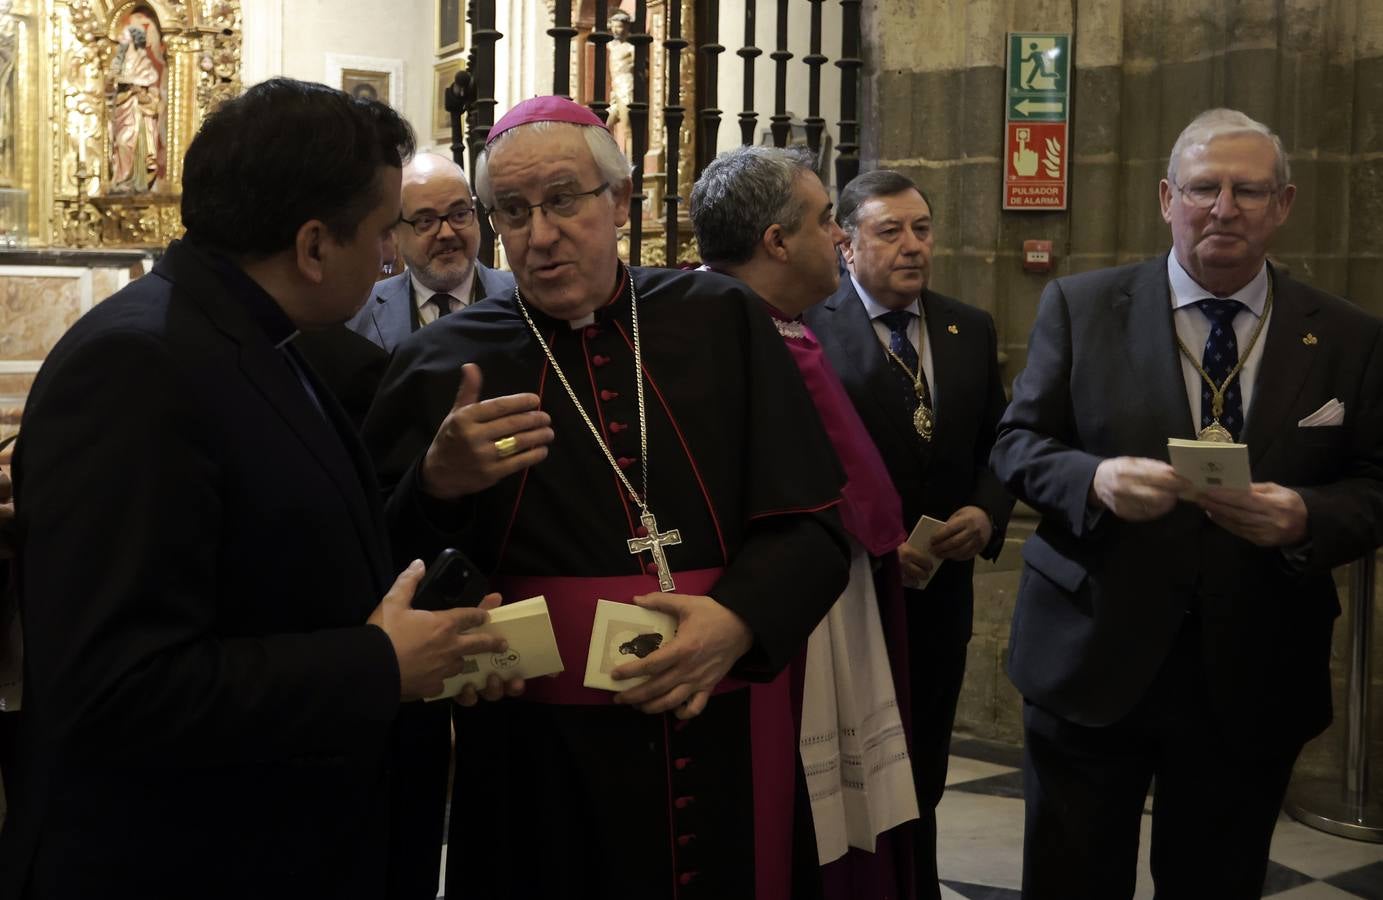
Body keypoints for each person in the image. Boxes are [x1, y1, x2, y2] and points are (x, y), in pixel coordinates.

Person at [0, 78, 517, 900]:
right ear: (314, 246)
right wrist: (378, 664)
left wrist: (433, 636)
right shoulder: (138, 368)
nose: (392, 257)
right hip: (188, 860)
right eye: (385, 232)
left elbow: (296, 566)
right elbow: (117, 687)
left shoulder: (263, 341)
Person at [364, 95, 851, 899]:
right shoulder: (439, 360)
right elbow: (380, 564)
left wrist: (737, 621)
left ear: (620, 200)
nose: (539, 233)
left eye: (562, 200)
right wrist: (435, 486)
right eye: (513, 210)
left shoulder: (721, 321)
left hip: (714, 716)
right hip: (534, 755)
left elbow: (814, 527)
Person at [990, 108, 1383, 897]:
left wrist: (1307, 516)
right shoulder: (1079, 307)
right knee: (1070, 880)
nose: (1223, 207)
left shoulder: (1346, 336)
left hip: (1253, 665)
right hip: (1092, 655)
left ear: (1283, 204)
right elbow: (1015, 446)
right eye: (1204, 187)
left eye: (1248, 190)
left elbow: (1375, 485)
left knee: (1216, 882)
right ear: (1167, 198)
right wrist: (1093, 482)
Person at [691, 144, 919, 900]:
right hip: (777, 617)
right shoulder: (733, 327)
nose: (839, 238)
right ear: (777, 242)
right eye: (828, 221)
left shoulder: (777, 323)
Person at [803, 169, 1013, 900]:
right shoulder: (810, 326)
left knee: (922, 764)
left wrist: (985, 513)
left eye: (921, 229)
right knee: (847, 765)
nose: (912, 246)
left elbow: (999, 441)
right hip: (849, 589)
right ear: (848, 244)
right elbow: (798, 460)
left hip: (940, 593)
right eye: (889, 231)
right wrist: (863, 537)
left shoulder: (966, 326)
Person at [299, 152, 515, 428]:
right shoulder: (357, 315)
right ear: (394, 232)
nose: (447, 232)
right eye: (425, 221)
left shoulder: (521, 297)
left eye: (460, 215)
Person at [108, 23, 162, 193]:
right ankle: (120, 179)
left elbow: (152, 93)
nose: (120, 39)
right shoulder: (118, 62)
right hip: (121, 109)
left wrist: (139, 92)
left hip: (137, 112)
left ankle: (134, 180)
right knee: (118, 144)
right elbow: (108, 86)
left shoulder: (143, 62)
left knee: (126, 142)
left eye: (124, 36)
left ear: (133, 39)